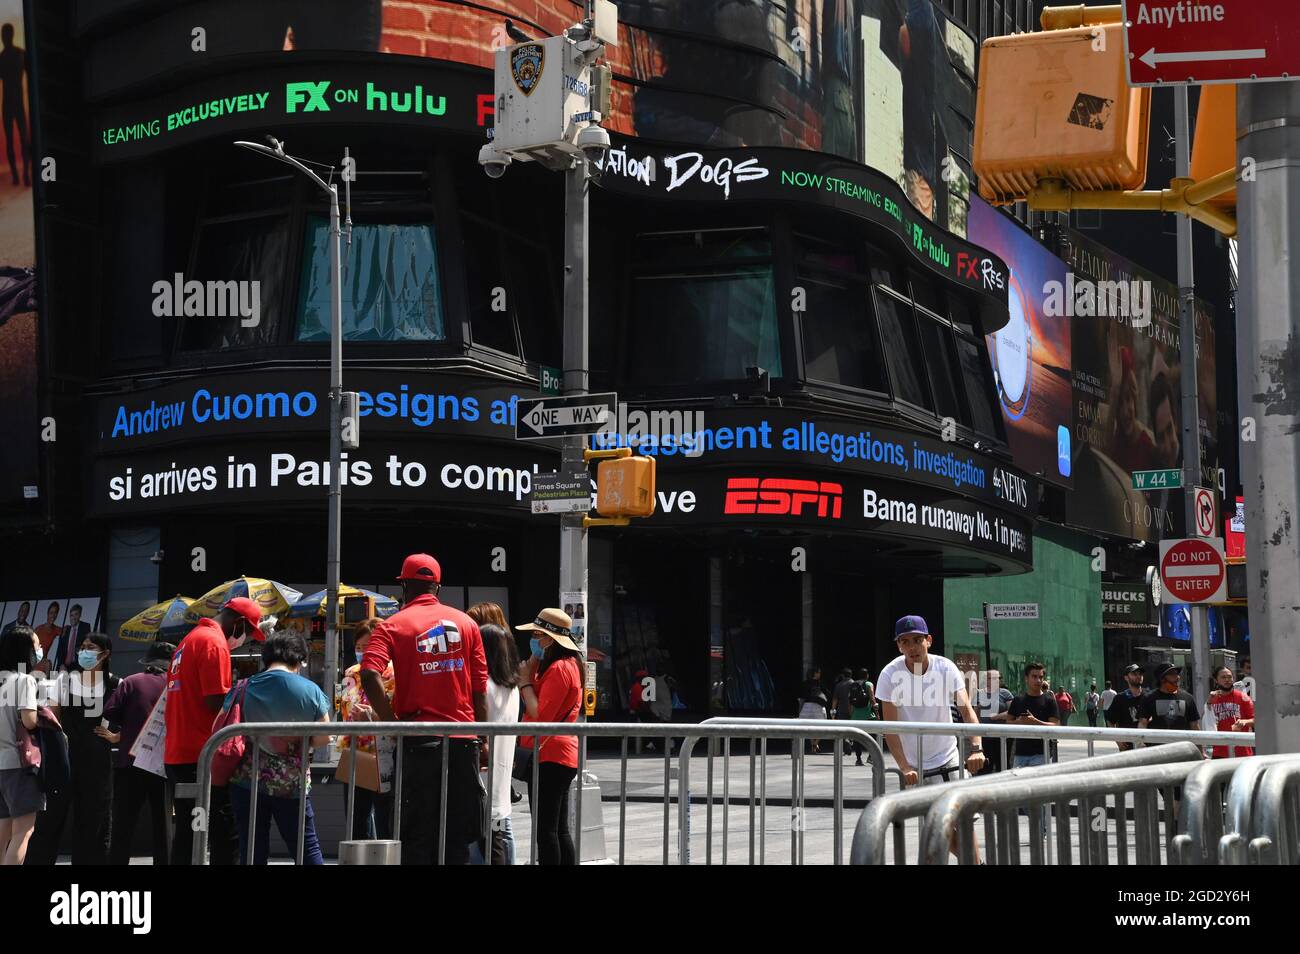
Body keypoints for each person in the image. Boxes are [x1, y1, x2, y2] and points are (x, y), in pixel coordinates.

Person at [360, 553, 487, 866]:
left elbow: (368, 673)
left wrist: (391, 723)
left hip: (417, 744)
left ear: (404, 586)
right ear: (437, 586)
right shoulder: (468, 624)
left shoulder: (392, 625)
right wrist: (482, 738)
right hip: (462, 742)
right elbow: (479, 690)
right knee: (457, 837)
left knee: (417, 837)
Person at [164, 597, 262, 865]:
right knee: (222, 830)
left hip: (181, 750)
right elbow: (216, 700)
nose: (247, 638)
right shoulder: (213, 642)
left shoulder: (190, 639)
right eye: (249, 632)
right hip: (202, 753)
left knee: (189, 830)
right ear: (239, 623)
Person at [226, 631, 331, 865]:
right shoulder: (310, 689)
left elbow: (223, 725)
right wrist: (302, 743)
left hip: (246, 782)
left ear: (267, 657)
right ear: (298, 660)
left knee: (252, 848)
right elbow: (324, 736)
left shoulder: (244, 686)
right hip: (291, 783)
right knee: (306, 846)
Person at [25, 631, 119, 865]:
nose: (83, 651)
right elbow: (52, 717)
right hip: (65, 757)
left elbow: (136, 717)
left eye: (90, 647)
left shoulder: (117, 684)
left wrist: (118, 737)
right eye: (82, 647)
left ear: (105, 654)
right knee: (50, 819)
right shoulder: (65, 680)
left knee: (94, 820)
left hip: (98, 761)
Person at [877, 616, 986, 785]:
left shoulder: (945, 667)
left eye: (917, 640)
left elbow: (966, 710)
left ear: (928, 641)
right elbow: (891, 727)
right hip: (912, 764)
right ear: (899, 646)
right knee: (919, 812)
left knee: (962, 809)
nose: (912, 647)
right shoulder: (889, 674)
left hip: (948, 758)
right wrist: (904, 767)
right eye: (905, 641)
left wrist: (977, 749)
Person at [515, 607, 583, 866]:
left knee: (546, 831)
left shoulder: (559, 669)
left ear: (550, 640)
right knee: (557, 829)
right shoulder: (563, 665)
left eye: (537, 634)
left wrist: (524, 683)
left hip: (551, 754)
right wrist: (532, 667)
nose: (533, 639)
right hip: (558, 753)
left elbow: (540, 714)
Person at [100, 640, 173, 865]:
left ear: (148, 662)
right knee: (163, 824)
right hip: (164, 763)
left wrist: (131, 723)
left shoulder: (131, 682)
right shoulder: (175, 685)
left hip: (130, 762)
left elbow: (110, 711)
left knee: (124, 822)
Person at [339, 617, 395, 841]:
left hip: (383, 752)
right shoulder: (350, 672)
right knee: (355, 820)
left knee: (385, 819)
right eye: (358, 647)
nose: (362, 652)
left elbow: (396, 712)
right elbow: (344, 707)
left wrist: (371, 714)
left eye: (368, 646)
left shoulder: (394, 672)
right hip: (354, 749)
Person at [471, 619, 519, 865]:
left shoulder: (484, 688)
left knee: (484, 845)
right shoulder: (513, 688)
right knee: (496, 838)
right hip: (499, 780)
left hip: (480, 778)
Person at [0, 625, 43, 865]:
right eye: (36, 645)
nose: (39, 649)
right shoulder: (24, 680)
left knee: (2, 833)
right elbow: (29, 720)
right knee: (23, 832)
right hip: (19, 764)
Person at [1008, 662, 1060, 769]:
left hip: (1041, 754)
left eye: (1041, 677)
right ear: (1026, 678)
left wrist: (1035, 722)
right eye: (1034, 677)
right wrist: (1020, 722)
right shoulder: (1018, 700)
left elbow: (1055, 726)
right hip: (1020, 754)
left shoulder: (1049, 701)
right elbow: (1008, 722)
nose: (1038, 680)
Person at [0, 22, 30, 188]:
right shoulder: (9, 56)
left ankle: (23, 174)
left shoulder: (18, 54)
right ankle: (18, 176)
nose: (4, 38)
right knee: (13, 141)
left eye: (5, 35)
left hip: (14, 104)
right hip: (10, 104)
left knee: (22, 140)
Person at [1137, 664, 1201, 739]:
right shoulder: (1148, 698)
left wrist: (1201, 749)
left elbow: (1194, 725)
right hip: (1158, 748)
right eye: (1172, 674)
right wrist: (1140, 744)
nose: (1177, 677)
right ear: (1162, 679)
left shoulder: (1188, 698)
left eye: (1177, 674)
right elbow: (1142, 723)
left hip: (1183, 747)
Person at [1204, 666, 1254, 759]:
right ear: (1216, 680)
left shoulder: (1243, 697)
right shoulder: (1212, 699)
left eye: (1229, 677)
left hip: (1242, 753)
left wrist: (1245, 722)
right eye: (1223, 677)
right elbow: (1207, 723)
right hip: (1219, 753)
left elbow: (1256, 720)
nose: (1227, 680)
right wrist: (1208, 703)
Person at [973, 669, 1014, 773]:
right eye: (991, 678)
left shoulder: (1005, 693)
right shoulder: (978, 694)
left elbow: (1012, 713)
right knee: (985, 766)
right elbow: (974, 716)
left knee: (1003, 765)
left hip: (1003, 737)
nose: (995, 680)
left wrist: (997, 717)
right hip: (985, 736)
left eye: (997, 678)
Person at [1105, 664, 1148, 751]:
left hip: (1149, 746)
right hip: (1128, 747)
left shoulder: (1149, 696)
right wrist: (1118, 740)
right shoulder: (1120, 698)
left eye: (1140, 674)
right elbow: (1110, 721)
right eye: (1134, 674)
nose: (1138, 676)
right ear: (1126, 678)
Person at [846, 668, 878, 766]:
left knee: (857, 738)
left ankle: (858, 759)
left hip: (856, 715)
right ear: (867, 675)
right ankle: (870, 757)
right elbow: (872, 699)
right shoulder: (869, 684)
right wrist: (877, 712)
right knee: (873, 735)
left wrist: (851, 714)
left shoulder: (852, 685)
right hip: (868, 715)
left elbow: (850, 701)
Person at [48, 603, 90, 672]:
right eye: (71, 615)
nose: (73, 618)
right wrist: (61, 664)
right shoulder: (66, 629)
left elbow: (86, 648)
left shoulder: (85, 627)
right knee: (55, 676)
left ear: (80, 615)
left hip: (78, 666)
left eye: (76, 614)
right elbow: (60, 650)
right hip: (64, 665)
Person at [797, 667, 829, 754]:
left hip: (807, 706)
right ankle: (815, 743)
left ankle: (813, 746)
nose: (820, 674)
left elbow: (801, 698)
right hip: (818, 706)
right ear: (816, 673)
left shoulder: (805, 683)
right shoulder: (821, 683)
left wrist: (800, 710)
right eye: (819, 672)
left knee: (809, 726)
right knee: (823, 725)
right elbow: (826, 695)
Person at [830, 668, 856, 757]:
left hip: (841, 709)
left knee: (844, 727)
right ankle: (851, 740)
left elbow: (835, 699)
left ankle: (846, 740)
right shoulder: (854, 684)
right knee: (852, 727)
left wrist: (833, 711)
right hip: (853, 709)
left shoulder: (839, 685)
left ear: (843, 675)